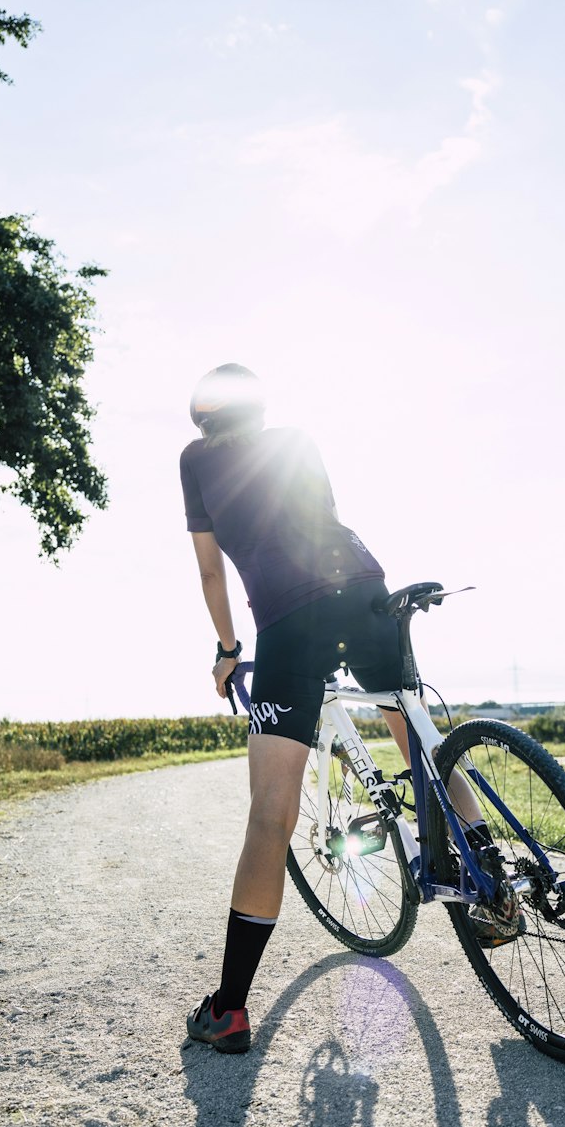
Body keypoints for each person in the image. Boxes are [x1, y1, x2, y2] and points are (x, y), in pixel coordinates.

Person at [179, 364, 408, 1054]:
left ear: (203, 415)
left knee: (271, 813)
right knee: (417, 737)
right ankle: (491, 885)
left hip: (290, 616)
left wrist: (227, 648)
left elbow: (212, 569)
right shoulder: (298, 438)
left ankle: (229, 1010)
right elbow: (324, 517)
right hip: (366, 586)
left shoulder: (195, 460)